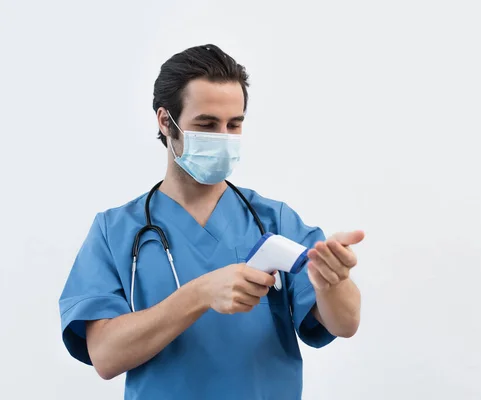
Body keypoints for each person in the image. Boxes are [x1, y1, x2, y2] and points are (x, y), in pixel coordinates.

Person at [58, 44, 363, 400]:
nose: (223, 137)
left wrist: (334, 283)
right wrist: (200, 294)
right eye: (206, 125)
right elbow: (105, 356)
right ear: (165, 121)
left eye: (234, 124)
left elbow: (344, 323)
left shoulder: (272, 220)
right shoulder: (115, 231)